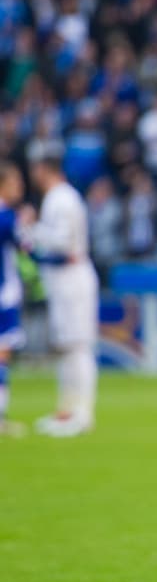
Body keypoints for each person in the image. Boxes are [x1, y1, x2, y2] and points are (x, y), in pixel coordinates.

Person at [20, 152, 98, 436]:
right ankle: (67, 411)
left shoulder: (62, 198)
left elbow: (63, 245)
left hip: (72, 276)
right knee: (66, 347)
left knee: (78, 346)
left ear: (45, 168)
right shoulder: (57, 198)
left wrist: (31, 231)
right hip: (61, 279)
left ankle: (82, 412)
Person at [0, 162, 26, 437]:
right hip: (4, 295)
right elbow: (29, 247)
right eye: (15, 183)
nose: (20, 188)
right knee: (2, 353)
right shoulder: (7, 218)